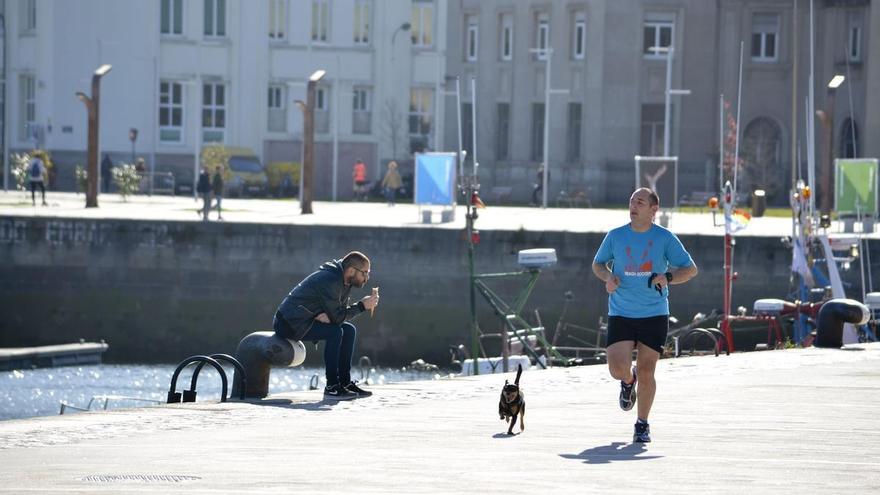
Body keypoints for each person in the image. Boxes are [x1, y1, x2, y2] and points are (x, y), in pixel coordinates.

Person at [591, 187, 698, 443]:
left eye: (640, 202)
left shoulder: (665, 238)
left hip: (654, 312)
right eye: (631, 201)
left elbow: (690, 269)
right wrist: (608, 277)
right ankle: (628, 381)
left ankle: (642, 424)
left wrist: (668, 277)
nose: (633, 205)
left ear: (653, 209)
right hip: (621, 311)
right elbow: (598, 264)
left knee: (648, 370)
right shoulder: (616, 236)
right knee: (617, 368)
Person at [273, 251, 379, 400]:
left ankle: (345, 383)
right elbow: (338, 317)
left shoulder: (345, 280)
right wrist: (361, 306)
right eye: (365, 273)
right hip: (289, 323)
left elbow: (337, 314)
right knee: (335, 332)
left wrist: (330, 315)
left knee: (349, 330)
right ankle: (332, 386)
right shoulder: (331, 280)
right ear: (351, 271)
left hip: (306, 319)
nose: (367, 278)